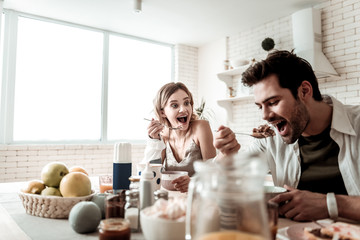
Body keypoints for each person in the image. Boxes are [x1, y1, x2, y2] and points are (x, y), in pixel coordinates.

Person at [213, 50, 360, 222]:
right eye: (260, 106)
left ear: (304, 91)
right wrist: (225, 155)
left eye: (273, 102)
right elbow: (226, 186)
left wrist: (328, 204)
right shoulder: (270, 140)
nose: (265, 116)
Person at [143, 82, 216, 192]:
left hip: (198, 198)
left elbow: (212, 173)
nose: (183, 109)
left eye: (187, 103)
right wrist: (153, 141)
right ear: (163, 112)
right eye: (175, 105)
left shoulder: (201, 127)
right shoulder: (163, 135)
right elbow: (151, 173)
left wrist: (194, 183)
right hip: (173, 199)